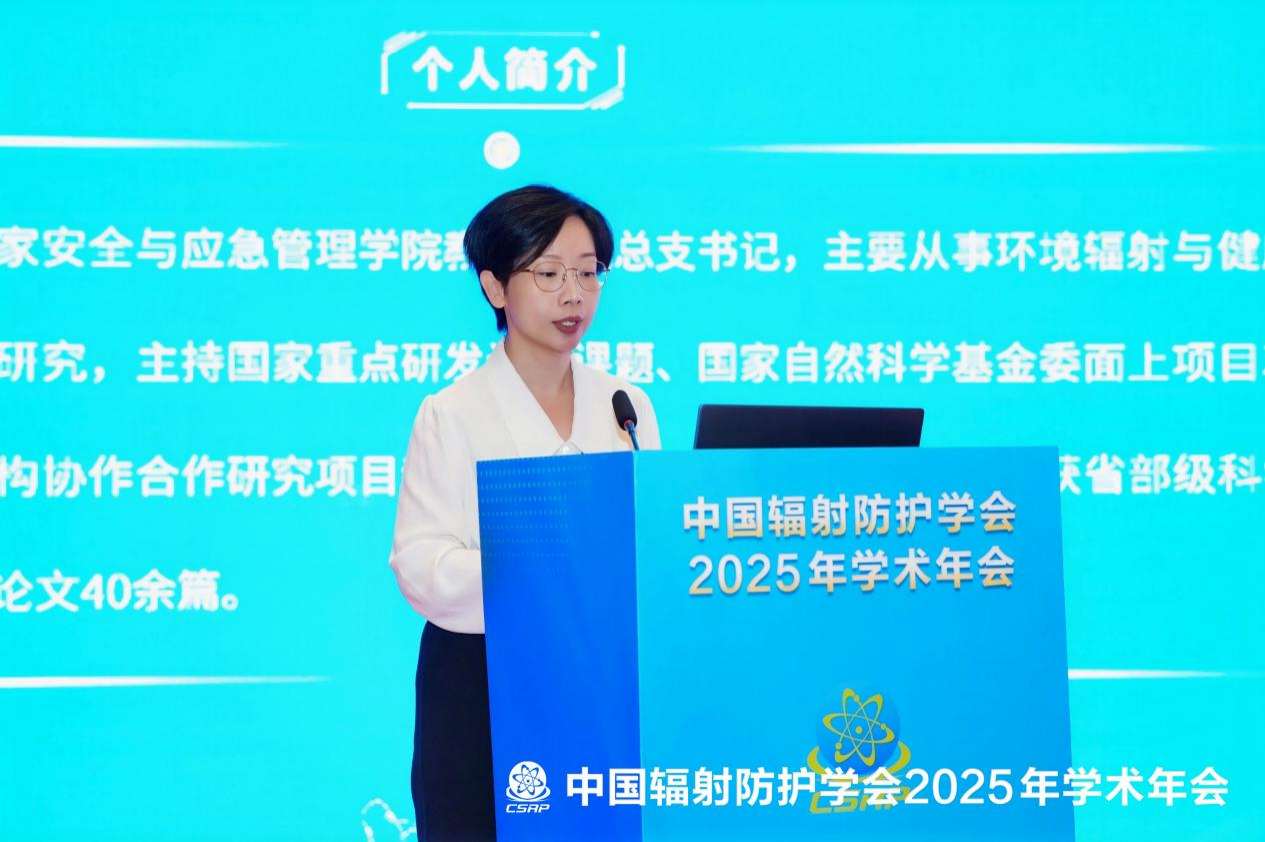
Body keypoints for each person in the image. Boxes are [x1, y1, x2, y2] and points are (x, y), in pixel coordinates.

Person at [388, 184, 661, 841]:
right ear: (494, 287)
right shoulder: (451, 412)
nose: (574, 295)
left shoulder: (626, 405)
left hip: (600, 678)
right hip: (482, 686)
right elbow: (421, 564)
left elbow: (648, 541)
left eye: (588, 273)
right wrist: (539, 567)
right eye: (549, 274)